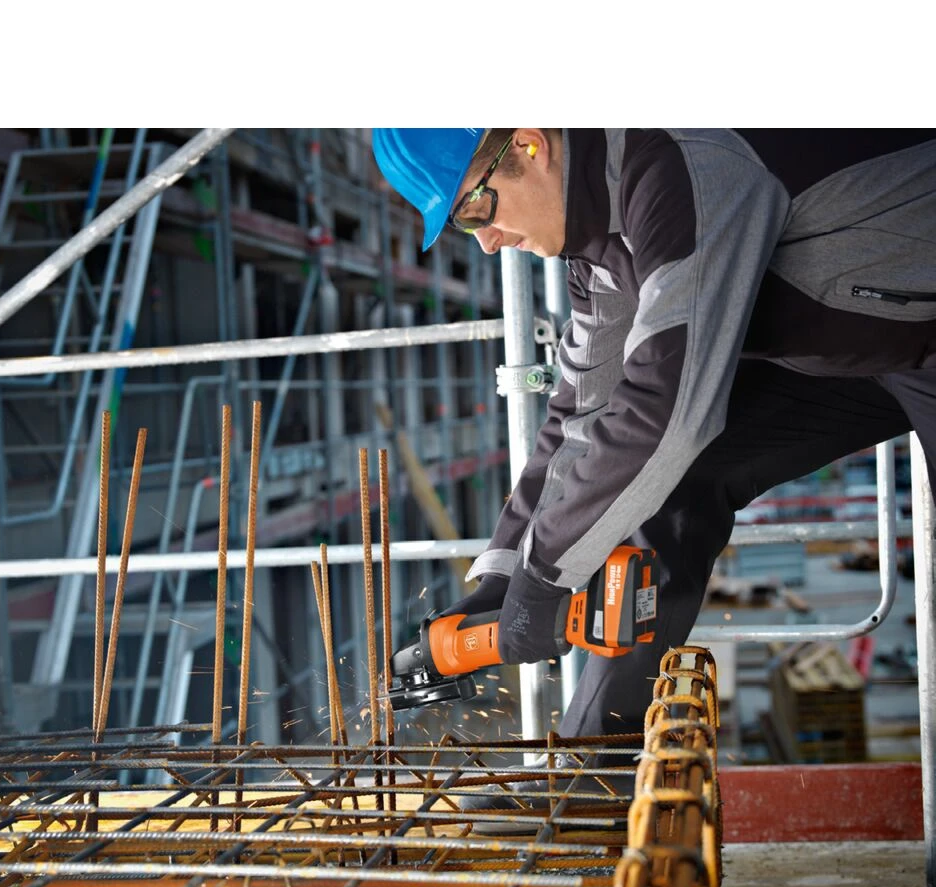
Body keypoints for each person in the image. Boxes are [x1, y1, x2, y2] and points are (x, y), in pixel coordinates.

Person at [371, 128, 936, 821]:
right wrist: (505, 575)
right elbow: (581, 417)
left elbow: (667, 409)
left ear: (527, 144)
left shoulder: (672, 157)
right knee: (651, 487)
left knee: (657, 451)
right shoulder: (600, 247)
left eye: (473, 211)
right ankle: (596, 776)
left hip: (916, 312)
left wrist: (545, 578)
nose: (486, 243)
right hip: (854, 342)